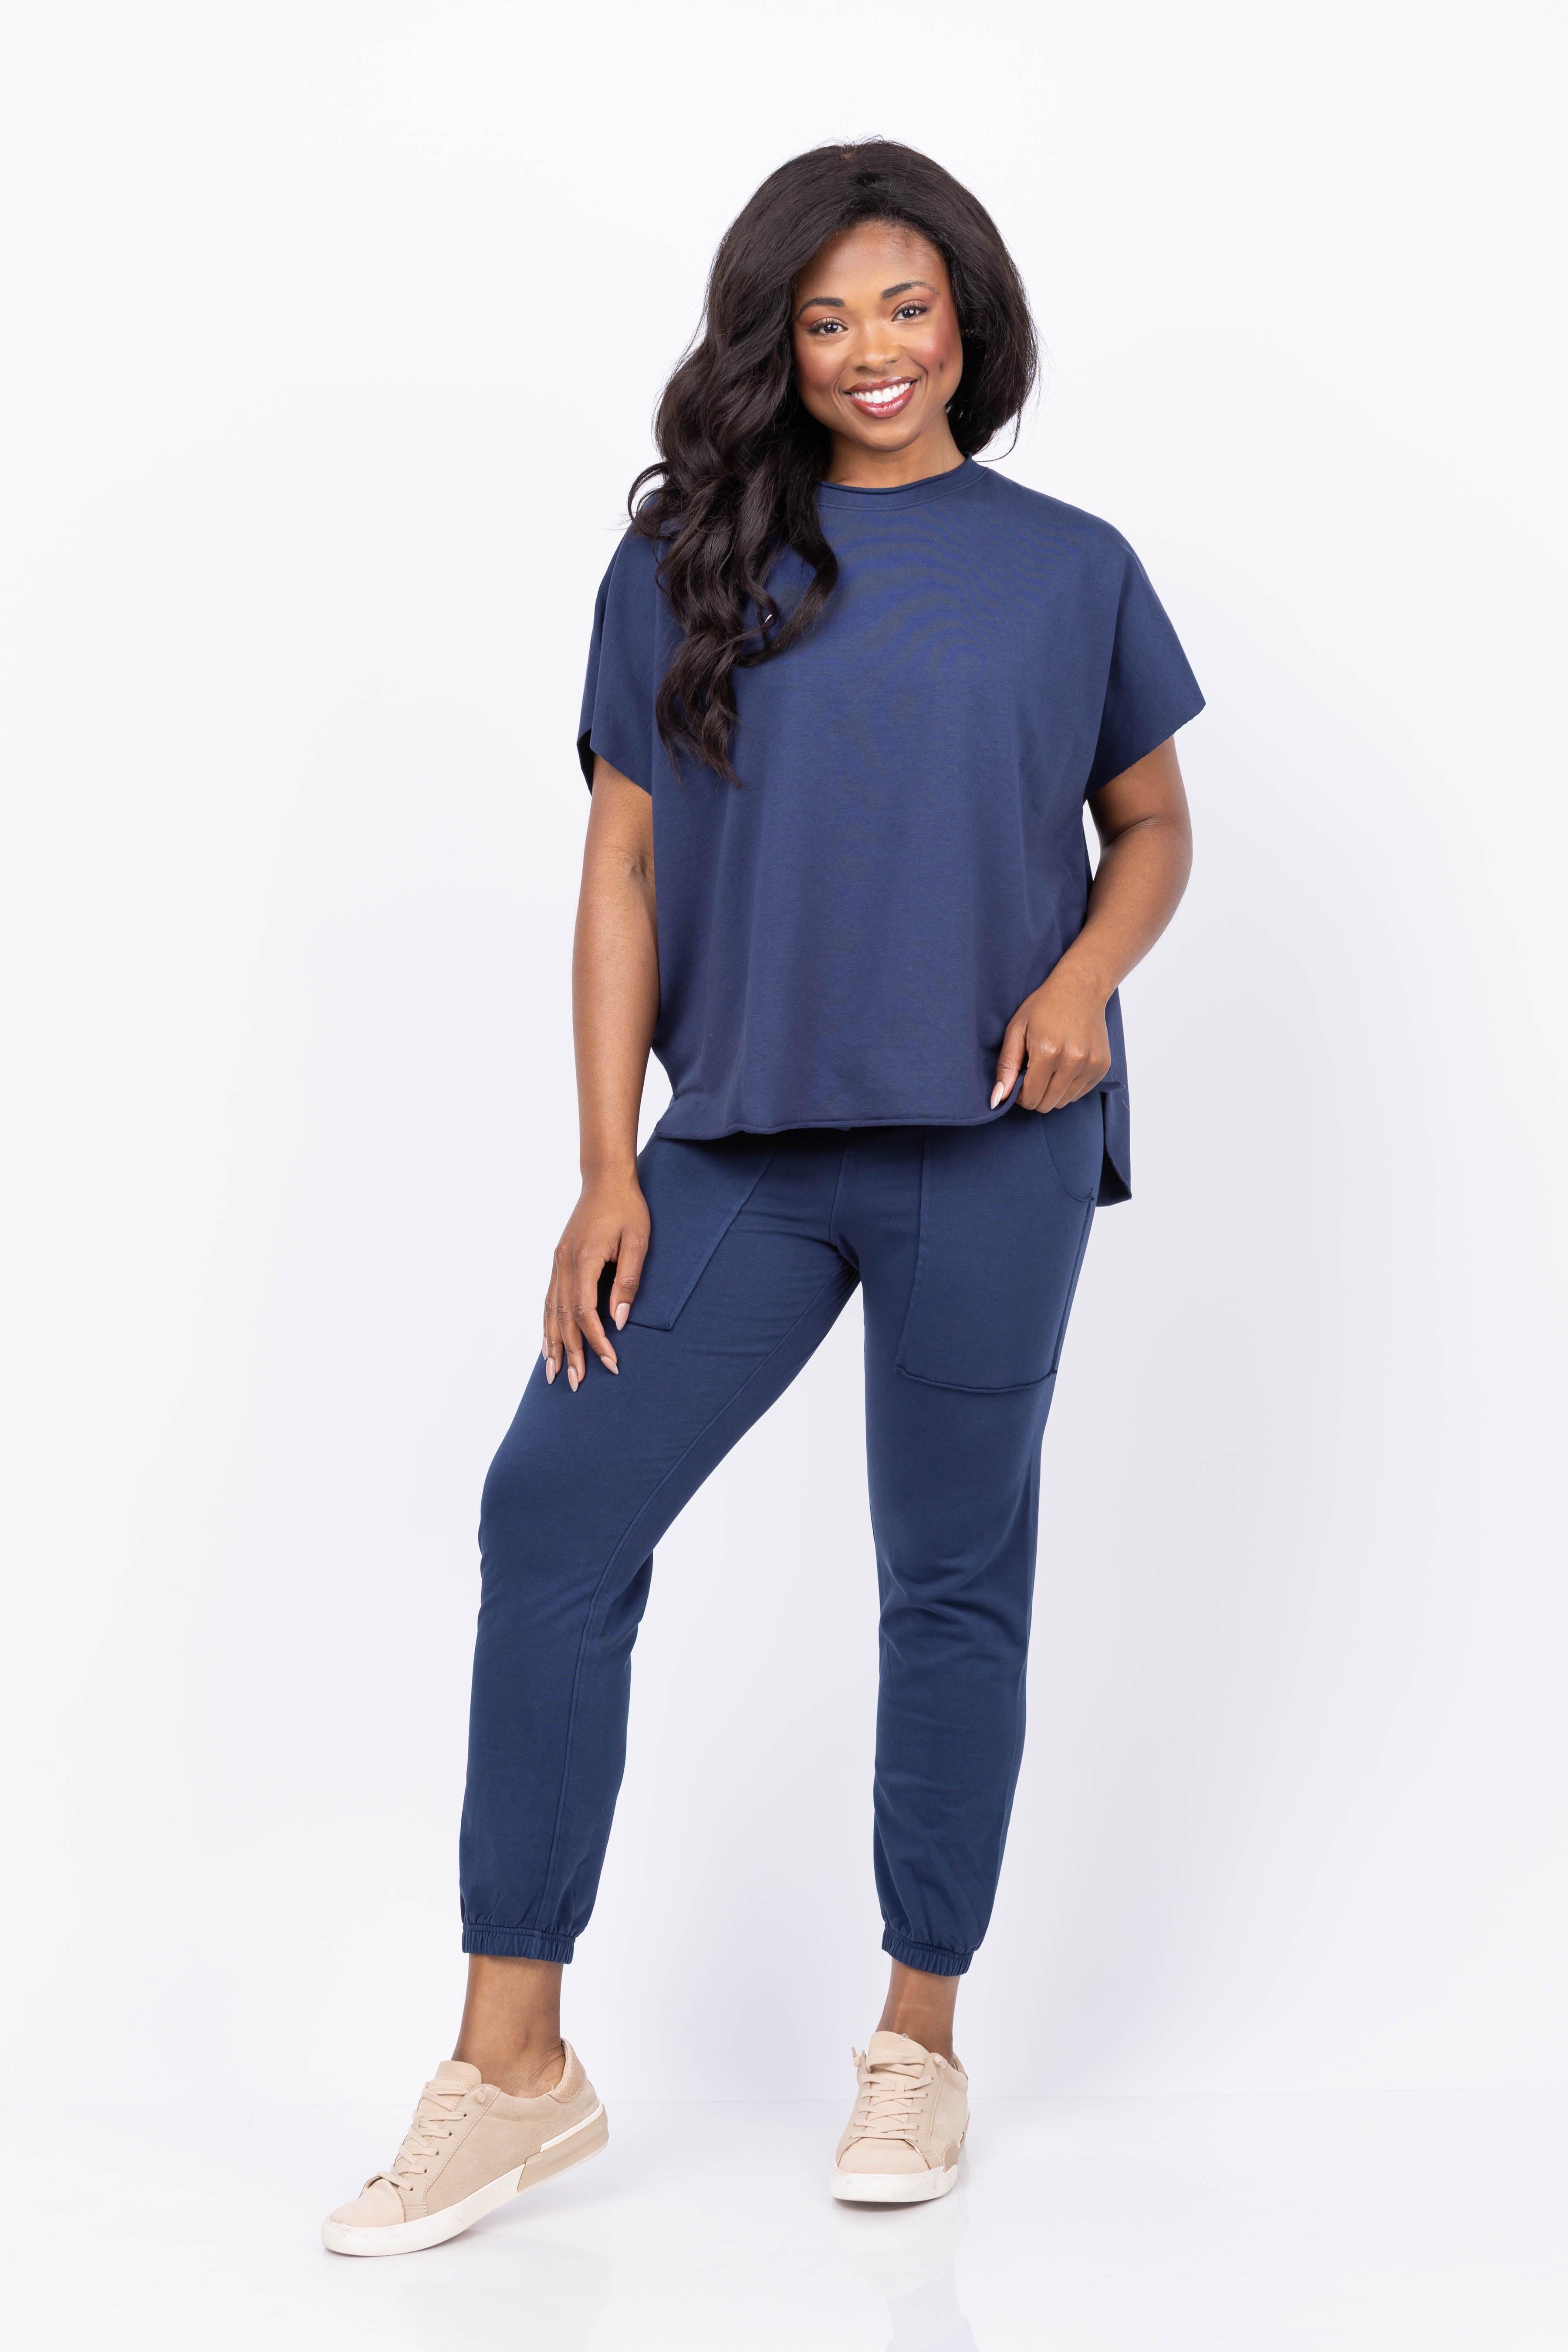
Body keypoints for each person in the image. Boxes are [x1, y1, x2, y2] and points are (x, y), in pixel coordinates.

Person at [323, 139, 1202, 2258]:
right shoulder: (684, 564)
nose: (871, 350)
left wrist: (1085, 980)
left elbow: (1156, 827)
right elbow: (621, 864)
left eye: (905, 308)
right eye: (825, 319)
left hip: (991, 1139)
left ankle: (919, 2034)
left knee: (952, 1576)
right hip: (742, 1149)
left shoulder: (1071, 568)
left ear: (969, 323)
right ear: (774, 344)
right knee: (555, 1512)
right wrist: (604, 1167)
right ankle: (512, 2069)